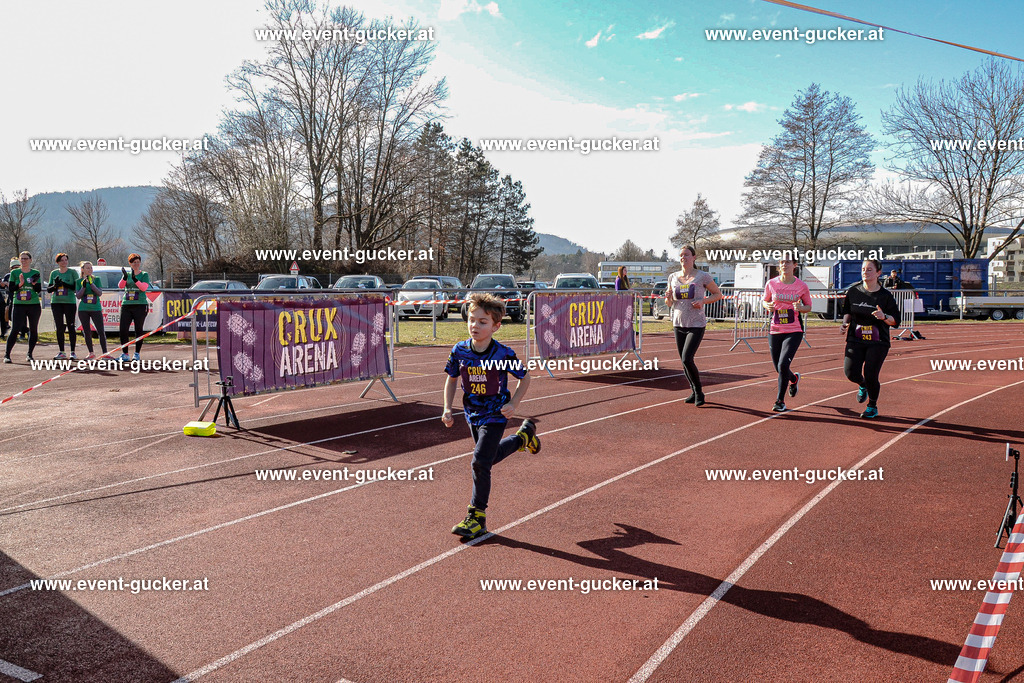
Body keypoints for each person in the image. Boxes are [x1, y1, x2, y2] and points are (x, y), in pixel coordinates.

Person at [442, 293, 540, 540]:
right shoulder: (460, 351)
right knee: (489, 457)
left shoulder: (503, 354)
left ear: (496, 326)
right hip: (471, 413)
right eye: (472, 320)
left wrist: (514, 403)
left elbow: (525, 377)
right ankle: (523, 438)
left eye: (483, 322)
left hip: (496, 414)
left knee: (479, 462)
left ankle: (477, 517)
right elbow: (451, 379)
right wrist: (447, 407)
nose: (475, 325)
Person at [840, 259, 901, 419]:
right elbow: (847, 311)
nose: (865, 273)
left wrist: (884, 316)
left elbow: (895, 321)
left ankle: (872, 406)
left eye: (869, 270)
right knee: (850, 373)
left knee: (871, 374)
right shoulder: (853, 292)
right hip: (856, 338)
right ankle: (862, 385)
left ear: (878, 273)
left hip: (878, 341)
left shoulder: (885, 296)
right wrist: (844, 324)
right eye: (863, 269)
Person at [664, 246, 724, 406]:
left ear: (694, 257)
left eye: (686, 255)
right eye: (681, 255)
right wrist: (668, 298)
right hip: (678, 323)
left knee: (687, 358)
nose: (683, 257)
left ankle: (699, 392)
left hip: (696, 323)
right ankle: (693, 391)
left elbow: (718, 294)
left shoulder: (702, 276)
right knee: (683, 361)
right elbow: (669, 303)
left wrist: (703, 301)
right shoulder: (673, 277)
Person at [762, 256, 812, 412]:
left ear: (794, 265)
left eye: (788, 262)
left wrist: (800, 307)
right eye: (782, 262)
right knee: (779, 367)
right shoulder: (771, 283)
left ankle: (780, 401)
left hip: (794, 330)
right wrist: (767, 305)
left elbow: (808, 306)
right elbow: (764, 300)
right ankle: (794, 378)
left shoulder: (801, 286)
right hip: (775, 328)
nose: (784, 264)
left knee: (783, 364)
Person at [4, 251, 42, 363]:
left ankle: (30, 354)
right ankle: (7, 355)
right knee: (15, 329)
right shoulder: (15, 272)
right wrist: (20, 284)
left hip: (33, 305)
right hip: (19, 304)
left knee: (33, 330)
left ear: (30, 260)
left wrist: (34, 284)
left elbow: (38, 290)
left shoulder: (35, 272)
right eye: (22, 259)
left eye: (26, 258)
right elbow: (11, 288)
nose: (24, 260)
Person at [118, 253, 151, 362]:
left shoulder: (144, 274)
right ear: (130, 263)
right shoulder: (127, 274)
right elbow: (121, 286)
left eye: (138, 262)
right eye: (134, 262)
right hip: (127, 304)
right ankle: (125, 353)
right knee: (123, 329)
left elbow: (144, 288)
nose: (136, 264)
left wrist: (135, 280)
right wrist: (125, 277)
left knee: (138, 329)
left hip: (140, 305)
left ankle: (137, 353)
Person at [47, 253, 79, 360]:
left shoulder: (72, 272)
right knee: (59, 327)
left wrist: (64, 284)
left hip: (69, 302)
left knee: (71, 326)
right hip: (56, 302)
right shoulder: (54, 273)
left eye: (66, 260)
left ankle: (73, 352)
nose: (64, 262)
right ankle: (61, 351)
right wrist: (55, 285)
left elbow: (76, 287)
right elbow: (49, 289)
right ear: (57, 262)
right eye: (62, 260)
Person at [76, 261, 107, 358]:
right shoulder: (78, 281)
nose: (90, 270)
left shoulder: (97, 279)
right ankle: (91, 353)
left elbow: (99, 293)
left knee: (101, 331)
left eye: (91, 268)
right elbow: (78, 295)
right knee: (87, 331)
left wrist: (91, 284)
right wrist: (84, 287)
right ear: (82, 270)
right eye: (87, 268)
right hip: (83, 309)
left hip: (96, 308)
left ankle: (105, 353)